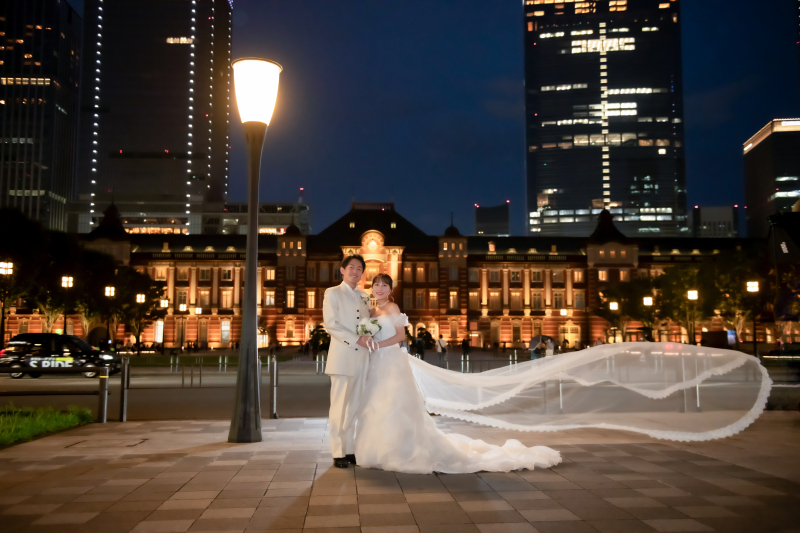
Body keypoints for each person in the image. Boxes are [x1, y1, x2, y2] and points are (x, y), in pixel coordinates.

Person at [354, 274, 562, 474]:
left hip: (391, 360)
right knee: (375, 402)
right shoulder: (370, 312)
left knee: (394, 403)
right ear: (371, 288)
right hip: (376, 362)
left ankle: (399, 449)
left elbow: (401, 336)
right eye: (376, 285)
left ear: (390, 290)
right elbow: (364, 335)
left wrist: (378, 344)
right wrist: (365, 341)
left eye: (384, 285)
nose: (379, 288)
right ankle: (377, 449)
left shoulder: (392, 307)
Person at [322, 254, 372, 469]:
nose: (355, 271)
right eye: (351, 267)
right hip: (342, 357)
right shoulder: (333, 293)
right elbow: (330, 324)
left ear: (362, 273)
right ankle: (337, 451)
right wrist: (357, 339)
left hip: (363, 358)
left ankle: (350, 449)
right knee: (339, 407)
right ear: (342, 270)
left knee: (354, 406)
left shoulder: (365, 296)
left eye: (359, 268)